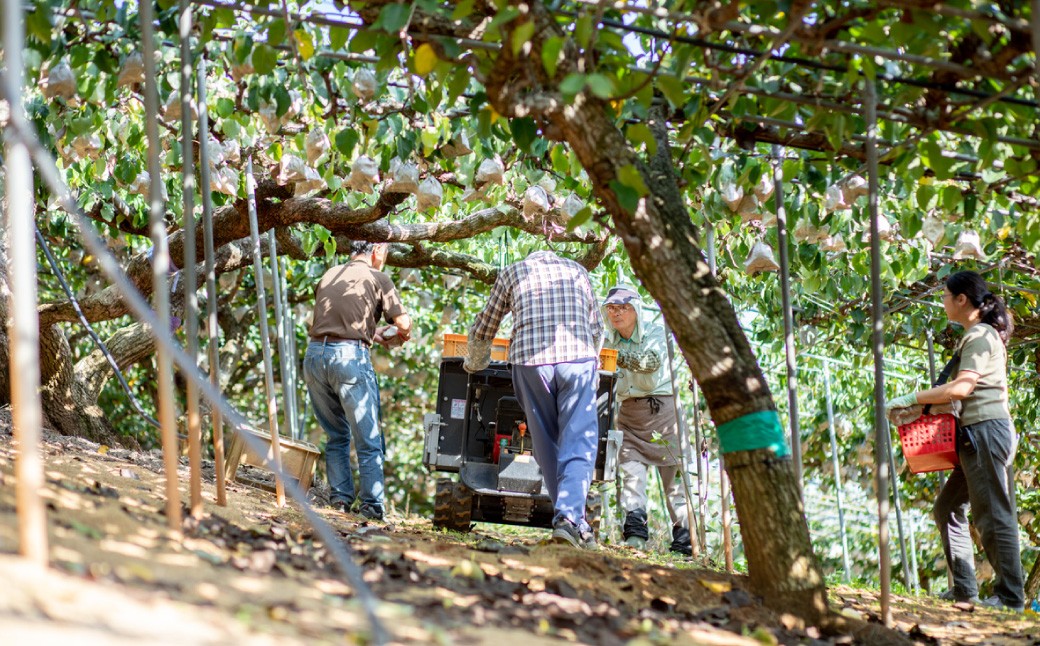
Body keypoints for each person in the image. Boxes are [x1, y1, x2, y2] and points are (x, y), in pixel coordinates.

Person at [886, 270, 1023, 611]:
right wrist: (923, 407)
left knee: (993, 513)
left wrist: (912, 398)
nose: (943, 301)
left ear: (962, 299)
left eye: (946, 295)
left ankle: (1010, 598)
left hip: (985, 433)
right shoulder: (975, 336)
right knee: (947, 508)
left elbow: (962, 388)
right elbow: (962, 396)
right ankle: (964, 588)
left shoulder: (980, 335)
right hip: (975, 433)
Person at [464, 250, 604, 549]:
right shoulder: (578, 270)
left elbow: (485, 326)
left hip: (531, 362)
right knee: (579, 441)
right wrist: (593, 365)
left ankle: (572, 521)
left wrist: (474, 364)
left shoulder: (514, 271)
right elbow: (596, 329)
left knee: (546, 445)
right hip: (578, 359)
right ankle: (572, 520)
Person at [303, 241, 412, 520]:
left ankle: (340, 500)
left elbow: (328, 321)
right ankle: (372, 506)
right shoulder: (378, 278)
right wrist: (400, 334)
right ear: (377, 250)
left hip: (315, 356)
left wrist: (372, 333)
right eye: (386, 253)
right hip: (350, 358)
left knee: (337, 434)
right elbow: (404, 324)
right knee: (368, 438)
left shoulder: (330, 274)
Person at [601, 285, 692, 556]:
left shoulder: (654, 333)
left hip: (663, 414)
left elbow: (649, 363)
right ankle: (636, 537)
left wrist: (614, 358)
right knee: (631, 476)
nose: (616, 313)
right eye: (612, 308)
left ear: (636, 310)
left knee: (674, 483)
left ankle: (685, 543)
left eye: (622, 307)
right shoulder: (607, 341)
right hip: (628, 415)